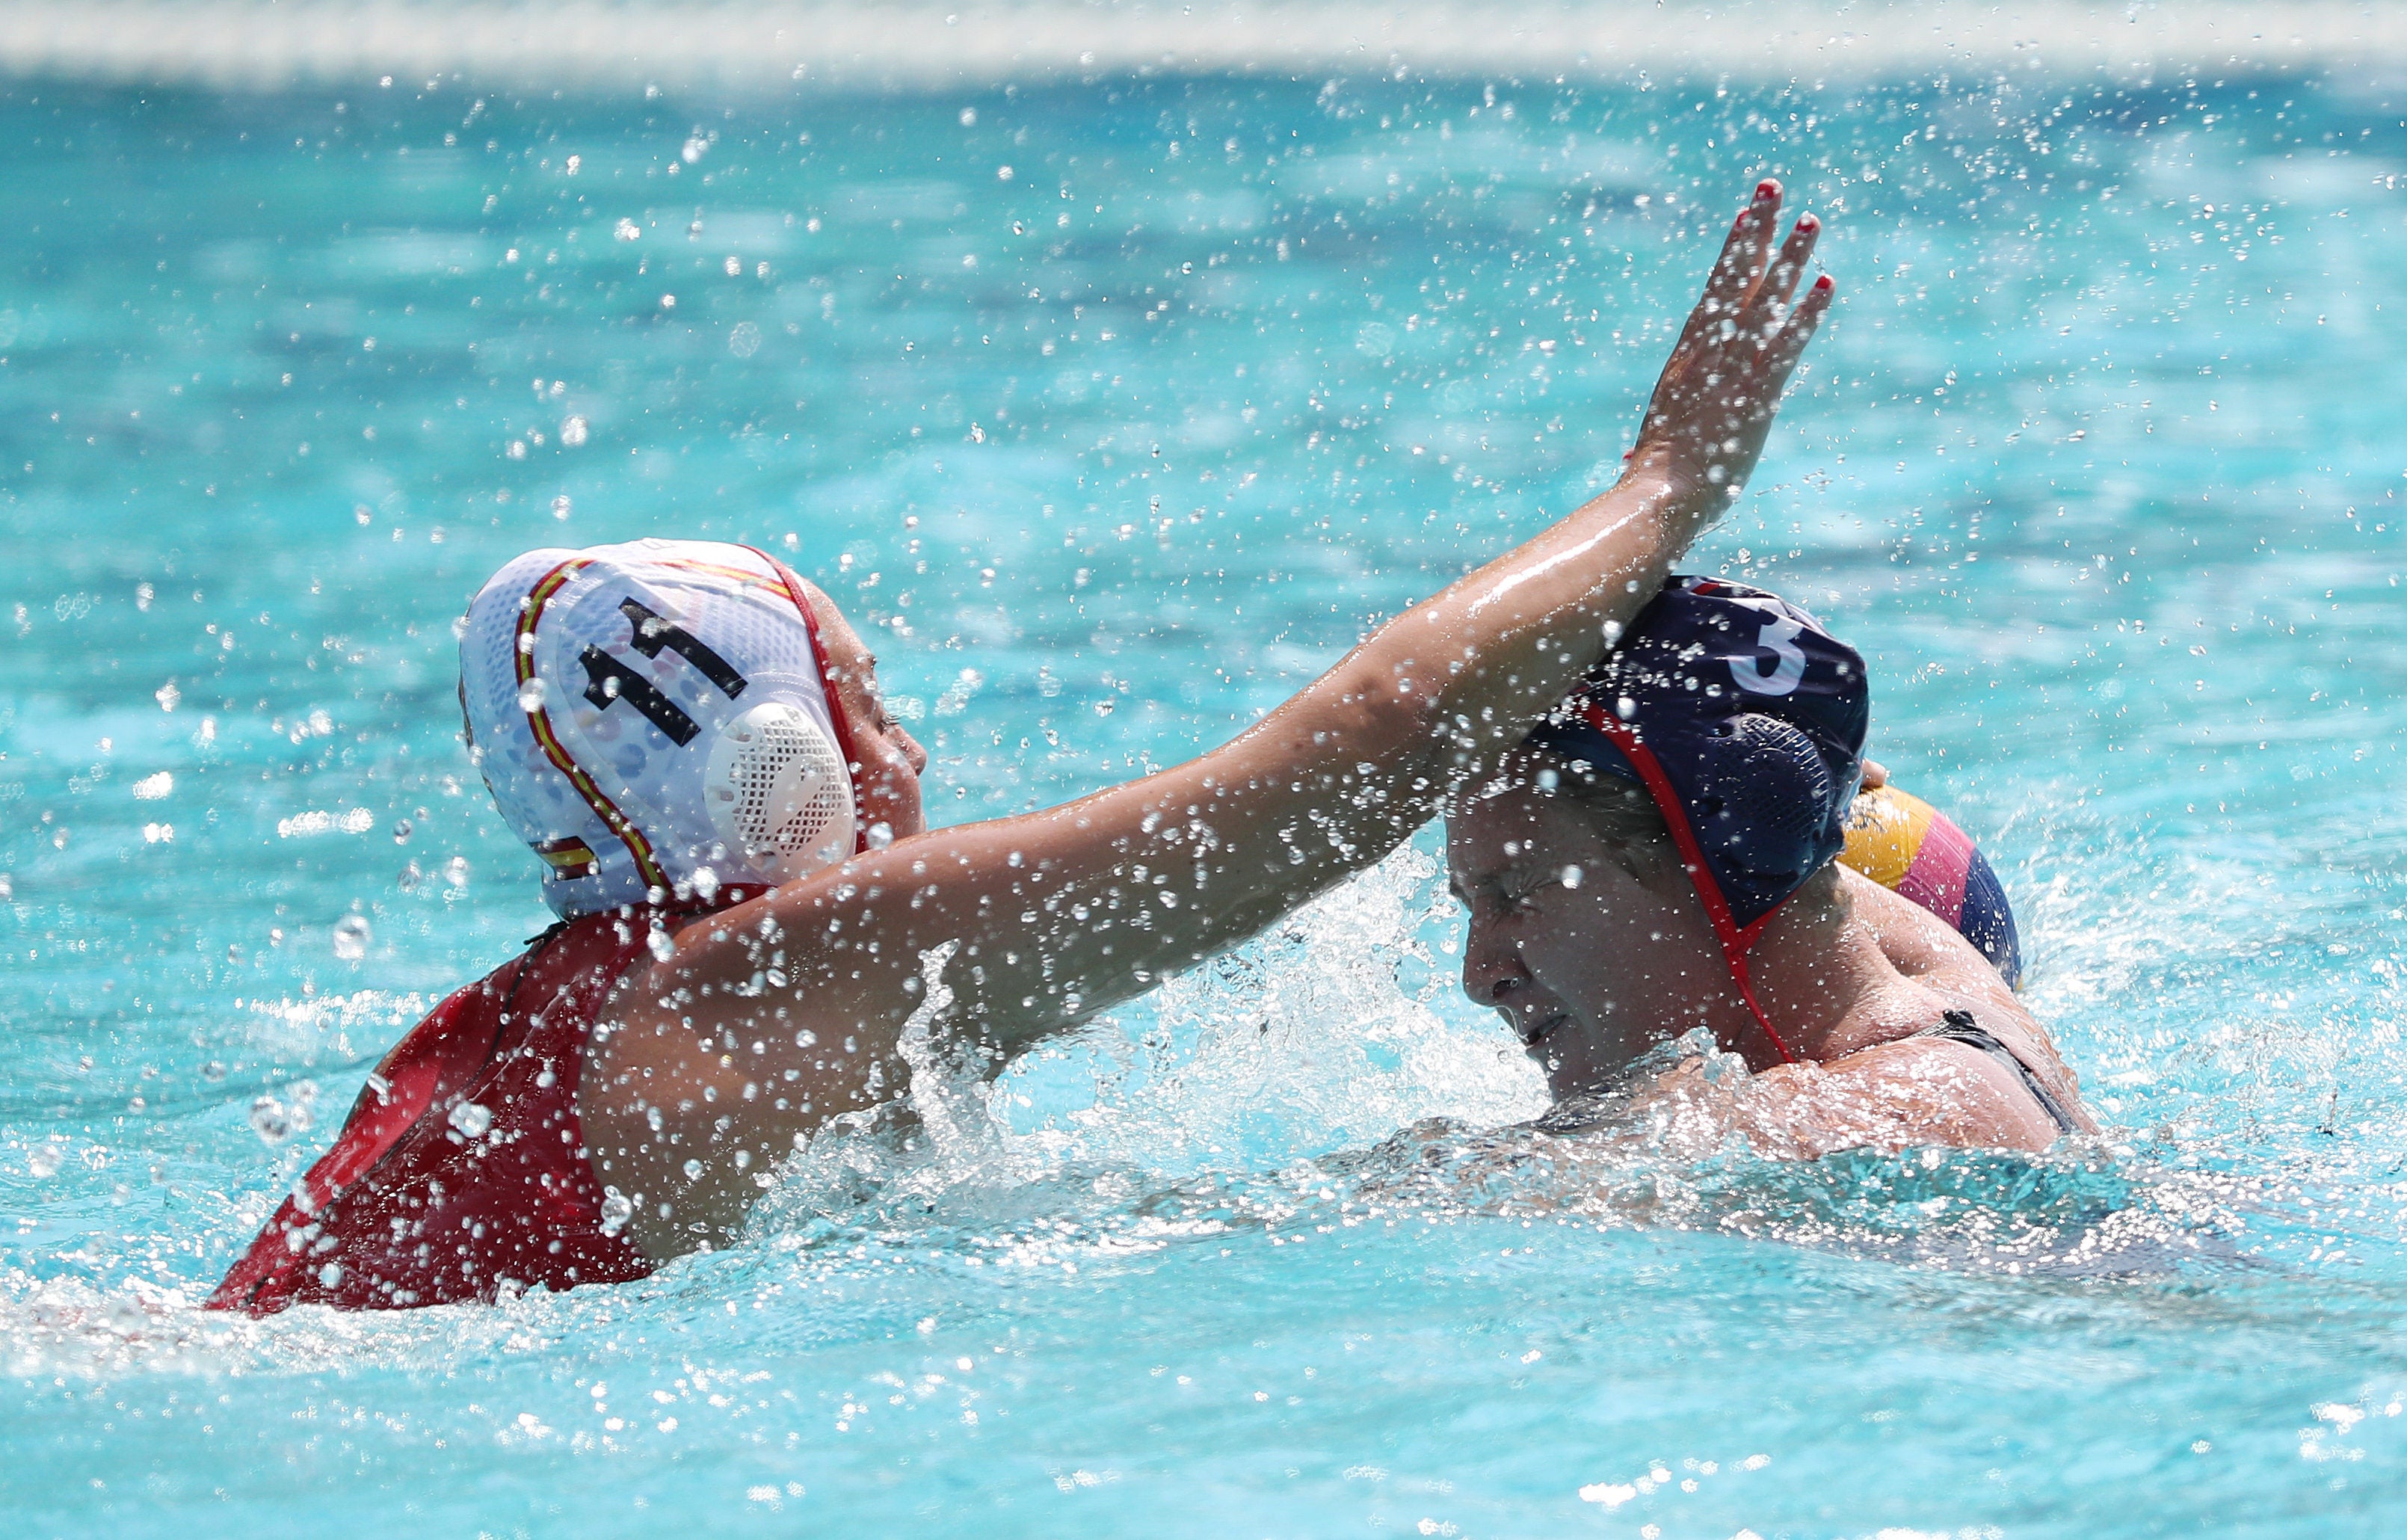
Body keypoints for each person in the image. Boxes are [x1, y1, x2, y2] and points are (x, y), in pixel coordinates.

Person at [208, 179, 2055, 1316]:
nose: (910, 743)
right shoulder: (758, 981)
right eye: (866, 696)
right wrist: (1662, 489)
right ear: (784, 760)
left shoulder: (611, 1011)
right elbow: (1350, 759)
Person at [1446, 574, 2089, 1153]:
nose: (1480, 978)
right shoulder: (1949, 988)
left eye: (1518, 894)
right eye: (1473, 906)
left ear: (1728, 863)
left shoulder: (1896, 1116)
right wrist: (1812, 793)